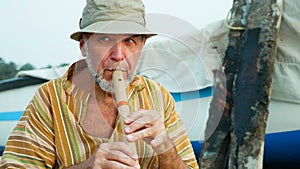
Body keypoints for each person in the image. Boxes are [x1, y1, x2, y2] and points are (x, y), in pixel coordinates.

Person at [0, 0, 199, 168]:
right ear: (84, 47)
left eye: (130, 41)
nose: (118, 56)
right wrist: (89, 165)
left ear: (142, 46)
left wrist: (165, 148)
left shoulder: (159, 96)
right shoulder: (50, 98)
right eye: (105, 39)